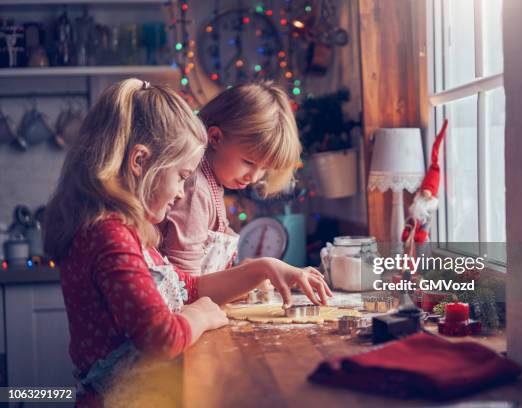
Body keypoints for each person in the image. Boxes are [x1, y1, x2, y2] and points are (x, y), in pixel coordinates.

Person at [43, 78, 328, 406]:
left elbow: (189, 287)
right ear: (139, 162)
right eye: (180, 176)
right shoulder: (110, 237)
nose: (181, 191)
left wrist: (262, 268)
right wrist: (201, 317)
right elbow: (161, 338)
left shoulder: (134, 235)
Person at [160, 81, 331, 306]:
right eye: (249, 162)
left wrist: (245, 272)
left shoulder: (211, 185)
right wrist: (256, 271)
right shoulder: (196, 189)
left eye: (265, 168)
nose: (255, 177)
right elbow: (183, 290)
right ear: (216, 138)